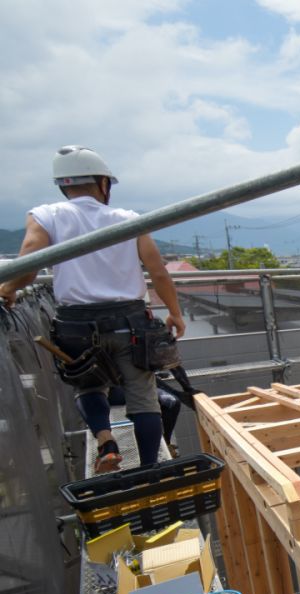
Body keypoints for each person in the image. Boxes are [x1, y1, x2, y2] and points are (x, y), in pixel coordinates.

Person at [0, 145, 186, 471]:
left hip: (76, 325)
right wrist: (175, 312)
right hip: (130, 322)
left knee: (89, 385)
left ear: (63, 185)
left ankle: (106, 442)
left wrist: (8, 289)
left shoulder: (47, 216)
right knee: (143, 397)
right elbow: (158, 272)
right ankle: (148, 470)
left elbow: (27, 265)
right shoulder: (127, 220)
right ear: (103, 183)